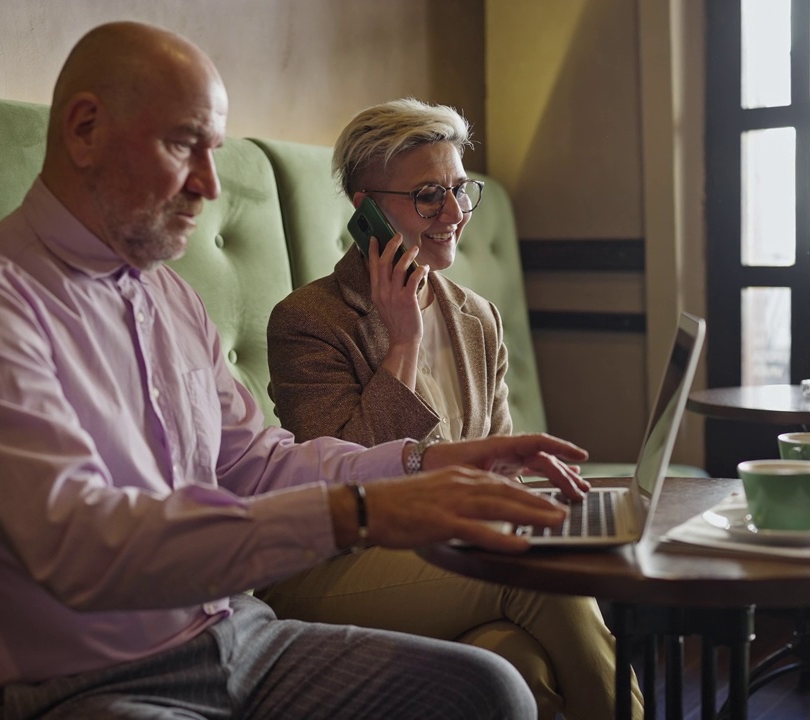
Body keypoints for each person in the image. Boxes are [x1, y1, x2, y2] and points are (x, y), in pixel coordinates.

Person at [0, 20, 598, 720]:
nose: (209, 185)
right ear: (85, 130)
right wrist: (366, 510)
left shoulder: (170, 298)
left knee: (490, 690)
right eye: (182, 145)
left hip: (235, 637)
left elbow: (257, 466)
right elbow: (77, 545)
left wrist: (424, 460)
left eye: (214, 151)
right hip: (61, 683)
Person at [262, 99, 644, 720]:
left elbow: (499, 463)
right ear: (368, 211)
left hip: (451, 556)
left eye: (462, 191)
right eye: (429, 195)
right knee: (540, 576)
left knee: (517, 662)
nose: (455, 215)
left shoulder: (478, 317)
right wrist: (403, 340)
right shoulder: (309, 322)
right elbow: (346, 473)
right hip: (333, 561)